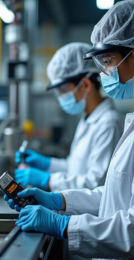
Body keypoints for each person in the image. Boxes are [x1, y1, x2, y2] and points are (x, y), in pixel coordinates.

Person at [6, 0, 134, 260]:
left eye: (108, 61)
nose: (103, 73)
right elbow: (116, 196)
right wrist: (59, 200)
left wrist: (63, 225)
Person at [12, 42, 122, 192]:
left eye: (63, 89)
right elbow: (74, 168)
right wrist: (46, 163)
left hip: (90, 213)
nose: (61, 97)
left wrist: (47, 179)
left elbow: (96, 183)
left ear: (85, 85)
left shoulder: (108, 123)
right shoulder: (87, 118)